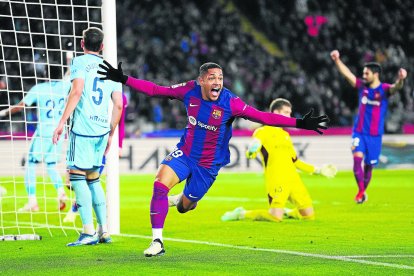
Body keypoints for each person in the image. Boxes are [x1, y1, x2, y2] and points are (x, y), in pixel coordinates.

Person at [98, 61, 329, 257]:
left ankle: (183, 198)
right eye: (212, 78)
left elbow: (263, 116)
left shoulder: (230, 102)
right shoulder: (189, 90)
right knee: (159, 185)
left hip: (208, 165)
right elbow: (156, 90)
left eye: (220, 77)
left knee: (184, 208)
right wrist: (124, 79)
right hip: (185, 153)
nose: (217, 82)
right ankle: (157, 242)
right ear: (201, 81)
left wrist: (300, 123)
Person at [53, 27, 123, 246]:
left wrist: (62, 121)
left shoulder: (80, 63)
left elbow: (76, 91)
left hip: (83, 129)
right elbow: (119, 105)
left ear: (82, 44)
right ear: (102, 46)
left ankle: (88, 232)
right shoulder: (111, 68)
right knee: (93, 179)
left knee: (76, 177)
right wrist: (111, 133)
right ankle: (104, 231)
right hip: (102, 130)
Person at [221, 98, 337, 223]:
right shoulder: (262, 131)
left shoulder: (285, 135)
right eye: (286, 112)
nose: (289, 116)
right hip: (276, 180)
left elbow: (295, 162)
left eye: (290, 113)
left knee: (309, 216)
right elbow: (253, 149)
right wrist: (251, 151)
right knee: (275, 218)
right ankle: (242, 214)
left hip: (294, 180)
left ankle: (287, 212)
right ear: (275, 112)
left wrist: (318, 170)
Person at [330, 50, 407, 204]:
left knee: (369, 166)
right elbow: (348, 75)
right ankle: (360, 192)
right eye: (363, 74)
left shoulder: (384, 90)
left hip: (375, 135)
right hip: (359, 132)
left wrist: (401, 79)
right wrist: (337, 60)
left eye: (366, 74)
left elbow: (396, 87)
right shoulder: (361, 87)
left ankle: (362, 191)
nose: (363, 76)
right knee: (357, 160)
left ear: (375, 74)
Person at [0, 66, 71, 212]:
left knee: (30, 164)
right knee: (51, 164)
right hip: (59, 130)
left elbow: (21, 106)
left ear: (45, 74)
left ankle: (32, 201)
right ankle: (61, 192)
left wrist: (4, 112)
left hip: (44, 131)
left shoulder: (39, 88)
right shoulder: (66, 86)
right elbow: (70, 77)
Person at [63, 93, 127, 223]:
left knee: (88, 180)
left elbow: (121, 120)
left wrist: (119, 144)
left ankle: (76, 212)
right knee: (81, 182)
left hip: (97, 140)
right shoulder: (91, 87)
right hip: (92, 138)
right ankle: (100, 226)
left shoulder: (118, 95)